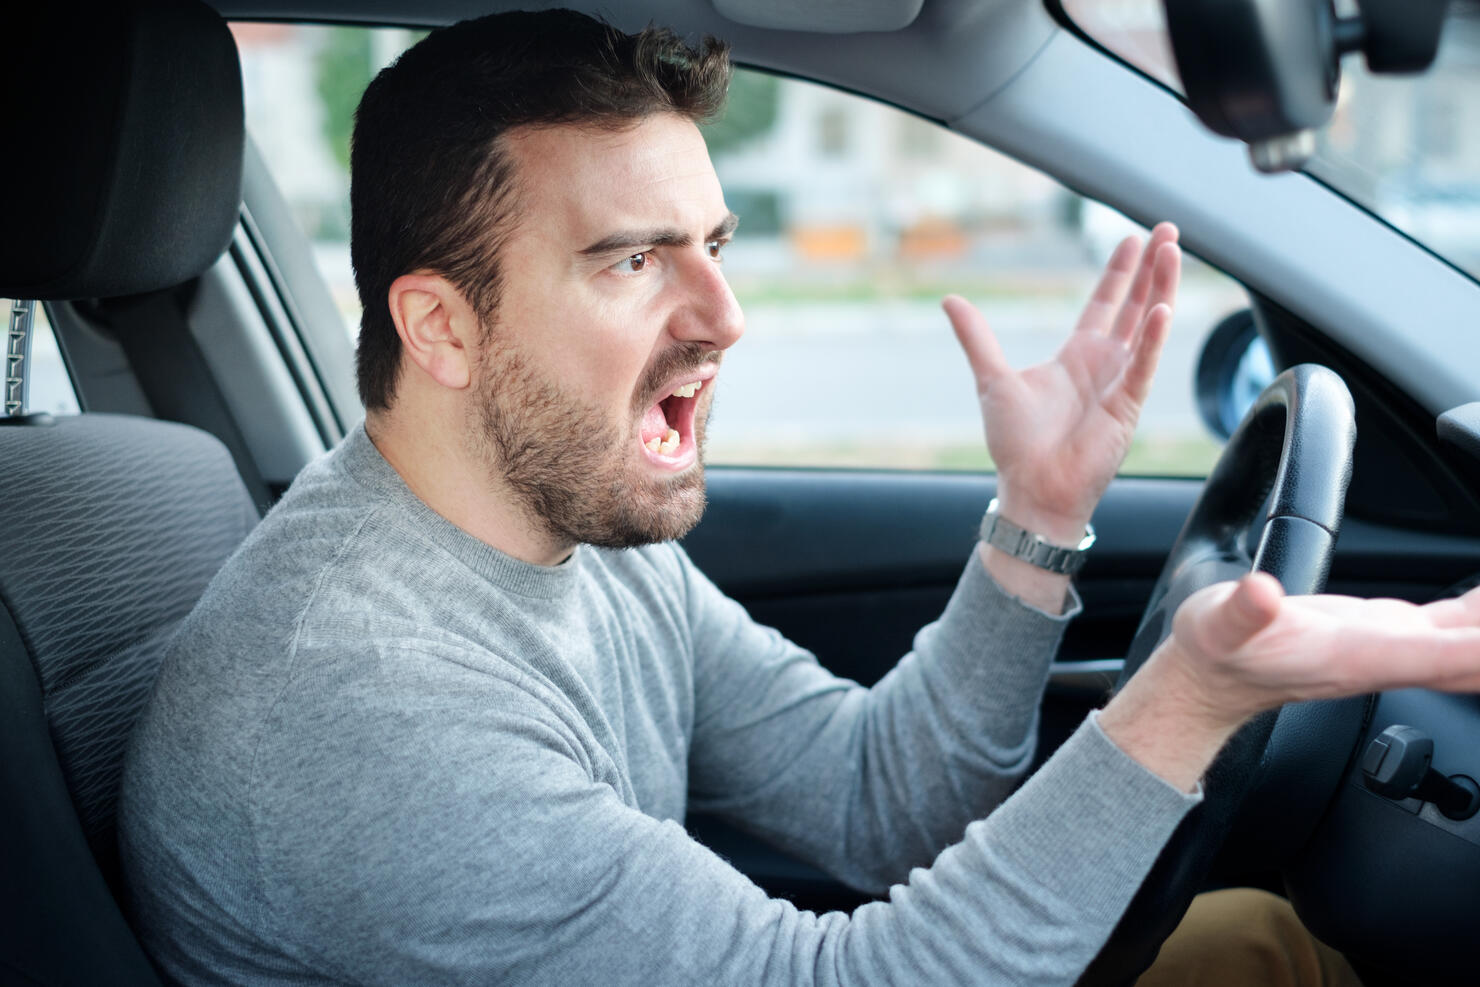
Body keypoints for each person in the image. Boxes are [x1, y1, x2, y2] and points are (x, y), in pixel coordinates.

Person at [119, 9, 1480, 985]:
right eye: (633, 260)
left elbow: (876, 801)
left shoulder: (576, 518)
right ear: (443, 329)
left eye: (711, 243)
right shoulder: (363, 714)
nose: (727, 315)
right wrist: (1189, 703)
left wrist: (1036, 519)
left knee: (1267, 942)